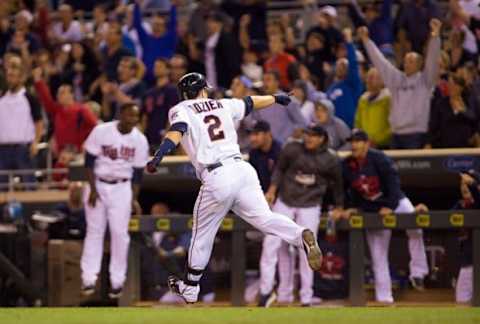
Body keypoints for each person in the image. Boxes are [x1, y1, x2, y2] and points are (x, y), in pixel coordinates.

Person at [146, 72, 323, 304]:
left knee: (201, 234)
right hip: (242, 169)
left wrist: (159, 155)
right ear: (201, 90)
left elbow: (177, 129)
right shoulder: (221, 104)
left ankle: (190, 287)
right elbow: (251, 102)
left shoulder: (182, 108)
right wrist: (276, 98)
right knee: (265, 219)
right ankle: (301, 235)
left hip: (217, 174)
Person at [259, 125, 344, 307]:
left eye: (313, 136)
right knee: (272, 245)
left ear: (322, 138)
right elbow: (279, 170)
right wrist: (272, 190)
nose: (309, 138)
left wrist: (339, 206)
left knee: (307, 248)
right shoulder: (292, 148)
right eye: (307, 134)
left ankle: (306, 297)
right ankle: (270, 292)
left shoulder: (330, 159)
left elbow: (337, 184)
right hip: (286, 201)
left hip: (310, 204)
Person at [342, 129, 429, 303]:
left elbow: (394, 184)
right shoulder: (346, 165)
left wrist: (389, 206)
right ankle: (384, 299)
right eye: (352, 141)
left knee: (415, 228)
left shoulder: (379, 159)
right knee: (378, 255)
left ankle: (418, 272)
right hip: (373, 209)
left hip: (395, 202)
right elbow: (344, 189)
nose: (354, 145)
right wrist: (350, 207)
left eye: (358, 141)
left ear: (367, 144)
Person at [80, 102, 149, 299]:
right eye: (129, 115)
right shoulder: (102, 131)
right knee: (95, 231)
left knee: (120, 234)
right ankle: (89, 278)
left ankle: (117, 281)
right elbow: (89, 161)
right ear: (121, 114)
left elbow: (137, 174)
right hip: (98, 184)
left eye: (136, 117)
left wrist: (133, 199)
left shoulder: (140, 140)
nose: (132, 120)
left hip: (122, 188)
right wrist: (92, 189)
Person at [358, 19, 442, 149]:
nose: (406, 63)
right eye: (406, 60)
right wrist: (366, 41)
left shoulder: (425, 81)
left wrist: (435, 37)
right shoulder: (396, 79)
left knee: (413, 169)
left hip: (415, 134)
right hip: (396, 134)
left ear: (420, 65)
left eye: (411, 61)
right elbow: (380, 62)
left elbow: (432, 59)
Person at [32, 67, 97, 154]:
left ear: (71, 95)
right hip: (60, 154)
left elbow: (95, 127)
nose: (58, 95)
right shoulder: (57, 109)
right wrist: (38, 80)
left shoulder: (82, 110)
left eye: (62, 92)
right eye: (58, 93)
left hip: (76, 154)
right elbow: (46, 99)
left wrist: (87, 143)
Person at [0, 54, 43, 185]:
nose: (10, 78)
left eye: (13, 76)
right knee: (2, 187)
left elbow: (38, 121)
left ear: (21, 77)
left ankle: (34, 206)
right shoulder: (2, 99)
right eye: (9, 76)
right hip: (2, 149)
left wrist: (36, 141)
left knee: (29, 184)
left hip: (23, 149)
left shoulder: (30, 98)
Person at [245, 71, 306, 144]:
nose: (265, 83)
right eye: (263, 80)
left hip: (286, 146)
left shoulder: (288, 99)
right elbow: (250, 124)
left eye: (268, 80)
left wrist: (293, 134)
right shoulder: (259, 102)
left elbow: (302, 123)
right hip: (267, 147)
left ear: (277, 82)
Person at [133, 0, 178, 83]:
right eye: (154, 25)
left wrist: (173, 6)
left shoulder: (169, 39)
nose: (156, 27)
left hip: (165, 78)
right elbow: (137, 25)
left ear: (164, 27)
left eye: (159, 25)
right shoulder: (146, 39)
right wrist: (137, 5)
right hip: (146, 78)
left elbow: (173, 24)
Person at [326, 28, 363, 129]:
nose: (340, 66)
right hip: (334, 131)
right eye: (339, 64)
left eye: (344, 65)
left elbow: (353, 64)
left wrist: (349, 42)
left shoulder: (353, 83)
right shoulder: (330, 89)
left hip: (351, 128)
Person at [141, 58, 179, 149]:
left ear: (168, 70)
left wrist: (168, 134)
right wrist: (142, 135)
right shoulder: (149, 92)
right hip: (149, 135)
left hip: (163, 135)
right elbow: (145, 115)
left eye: (160, 66)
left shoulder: (172, 90)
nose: (156, 69)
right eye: (155, 66)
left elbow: (173, 114)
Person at [354, 67, 392, 149]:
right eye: (367, 77)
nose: (368, 80)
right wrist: (361, 140)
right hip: (365, 145)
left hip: (384, 145)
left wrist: (377, 140)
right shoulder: (362, 99)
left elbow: (393, 124)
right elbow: (357, 123)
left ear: (382, 80)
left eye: (372, 77)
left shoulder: (389, 98)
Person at [248, 120, 282, 192]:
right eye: (251, 134)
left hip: (281, 196)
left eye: (256, 134)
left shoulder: (280, 151)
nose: (252, 139)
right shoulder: (253, 153)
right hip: (261, 194)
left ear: (268, 134)